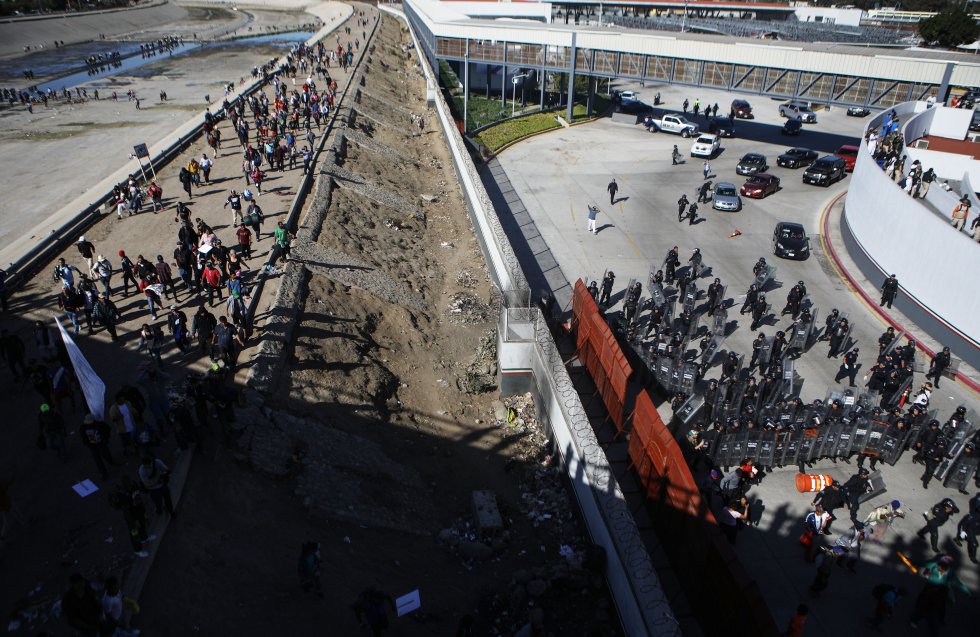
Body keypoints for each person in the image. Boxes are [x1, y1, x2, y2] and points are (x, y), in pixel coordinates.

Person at [909, 555, 972, 632]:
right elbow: (922, 563)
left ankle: (939, 620)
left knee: (940, 609)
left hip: (940, 594)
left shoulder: (949, 572)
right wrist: (911, 561)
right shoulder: (933, 565)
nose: (941, 570)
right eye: (940, 567)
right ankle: (915, 618)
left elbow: (959, 584)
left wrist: (969, 593)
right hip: (929, 590)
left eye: (944, 569)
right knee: (923, 607)